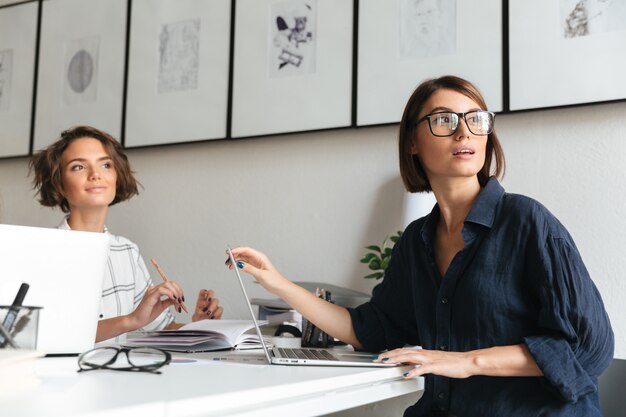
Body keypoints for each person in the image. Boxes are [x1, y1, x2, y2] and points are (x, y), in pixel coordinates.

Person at [227, 76, 614, 416]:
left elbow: (589, 347)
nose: (464, 133)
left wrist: (466, 362)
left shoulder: (527, 221)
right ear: (413, 141)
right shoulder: (417, 242)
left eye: (475, 119)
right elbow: (370, 330)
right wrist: (278, 283)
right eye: (444, 120)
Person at [29, 126, 223, 343]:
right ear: (59, 183)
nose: (95, 175)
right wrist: (130, 320)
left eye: (105, 164)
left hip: (120, 375)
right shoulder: (42, 252)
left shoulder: (127, 251)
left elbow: (158, 327)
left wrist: (199, 326)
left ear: (116, 176)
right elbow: (46, 335)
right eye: (78, 167)